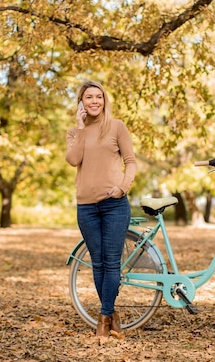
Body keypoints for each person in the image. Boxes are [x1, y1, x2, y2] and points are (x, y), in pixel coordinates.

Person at [65, 80, 137, 339]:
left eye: (98, 97)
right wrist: (81, 128)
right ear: (81, 102)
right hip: (86, 207)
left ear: (104, 100)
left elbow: (131, 162)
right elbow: (73, 160)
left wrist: (123, 187)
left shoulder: (117, 126)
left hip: (114, 205)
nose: (94, 101)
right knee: (97, 264)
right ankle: (111, 315)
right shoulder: (75, 133)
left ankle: (103, 318)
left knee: (111, 263)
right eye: (88, 97)